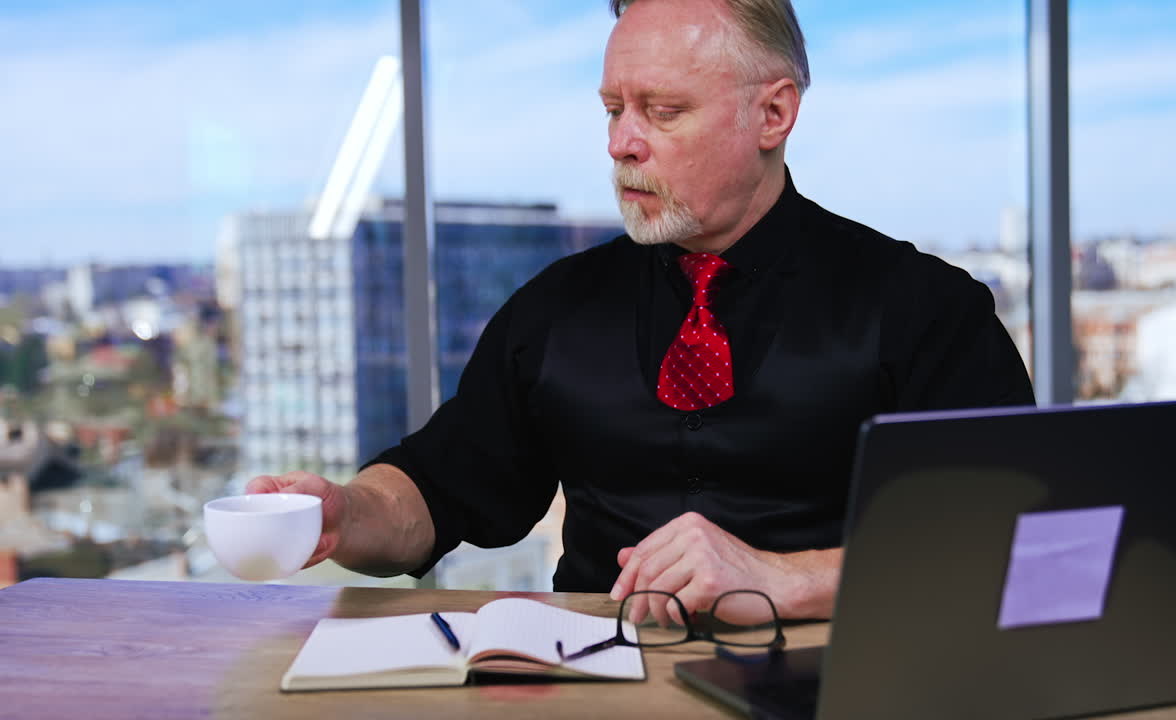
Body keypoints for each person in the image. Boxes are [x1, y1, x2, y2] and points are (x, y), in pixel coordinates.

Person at [248, 0, 1034, 624]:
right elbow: (437, 488)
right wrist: (345, 513)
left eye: (662, 111)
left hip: (840, 686)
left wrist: (783, 580)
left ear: (774, 115)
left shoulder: (925, 309)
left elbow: (1007, 545)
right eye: (613, 109)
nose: (622, 143)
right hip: (591, 684)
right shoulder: (554, 309)